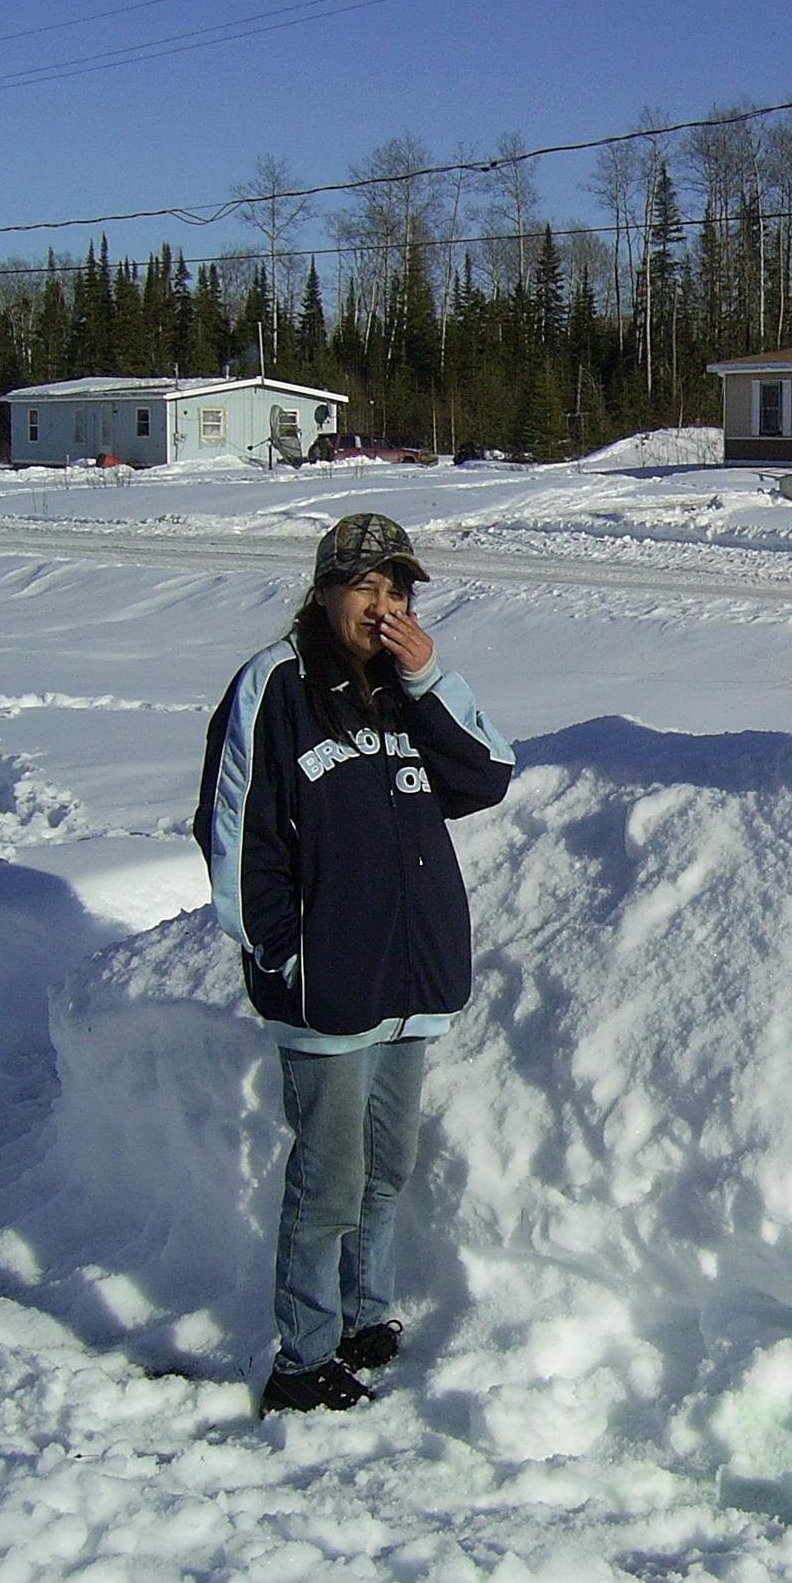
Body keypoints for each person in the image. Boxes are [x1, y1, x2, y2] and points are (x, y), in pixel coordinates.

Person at [195, 514, 514, 1416]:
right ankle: (302, 1356)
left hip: (408, 983)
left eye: (398, 591)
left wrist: (427, 675)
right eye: (366, 589)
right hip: (325, 985)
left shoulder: (408, 689)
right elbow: (233, 833)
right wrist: (281, 952)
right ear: (326, 591)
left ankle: (364, 1317)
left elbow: (486, 774)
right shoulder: (275, 687)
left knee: (386, 1168)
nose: (383, 608)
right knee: (327, 1181)